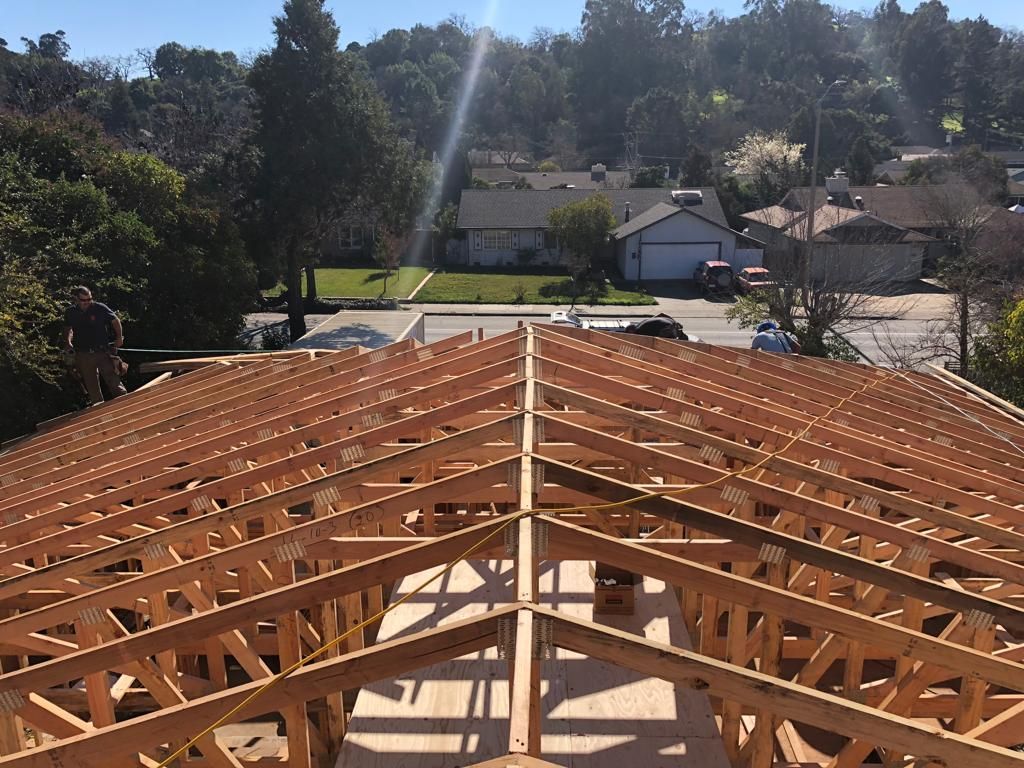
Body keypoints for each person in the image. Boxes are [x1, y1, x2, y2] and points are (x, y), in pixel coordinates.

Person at [63, 286, 127, 404]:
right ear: (76, 299)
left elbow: (115, 320)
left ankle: (126, 404)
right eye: (84, 300)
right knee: (91, 386)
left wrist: (119, 337)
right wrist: (68, 342)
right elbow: (68, 328)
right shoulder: (70, 312)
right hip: (83, 354)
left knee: (114, 381)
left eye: (89, 299)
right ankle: (99, 412)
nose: (87, 302)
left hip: (102, 351)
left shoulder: (99, 308)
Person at [624, 313, 690, 340]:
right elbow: (661, 314)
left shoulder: (640, 331)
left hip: (668, 327)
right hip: (670, 322)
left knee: (661, 342)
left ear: (632, 331)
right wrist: (674, 322)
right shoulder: (641, 323)